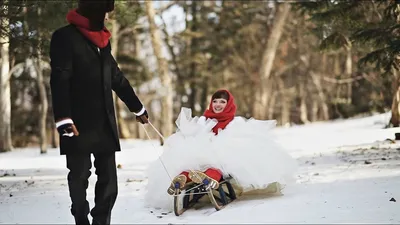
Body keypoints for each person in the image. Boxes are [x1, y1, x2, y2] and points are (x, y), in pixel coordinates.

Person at [49, 1, 148, 224]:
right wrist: (63, 119)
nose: (107, 18)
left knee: (109, 182)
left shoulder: (103, 41)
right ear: (94, 12)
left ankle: (101, 221)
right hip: (77, 122)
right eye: (105, 13)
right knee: (79, 176)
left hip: (104, 121)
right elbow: (59, 79)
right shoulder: (64, 37)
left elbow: (116, 77)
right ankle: (81, 218)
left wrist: (137, 107)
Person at [144, 89, 297, 210]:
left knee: (217, 162)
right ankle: (183, 178)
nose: (217, 105)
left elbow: (239, 138)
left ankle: (206, 177)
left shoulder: (234, 121)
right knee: (190, 160)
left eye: (222, 102)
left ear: (228, 104)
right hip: (201, 150)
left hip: (222, 153)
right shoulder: (204, 119)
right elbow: (195, 133)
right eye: (215, 101)